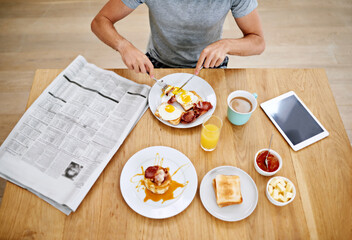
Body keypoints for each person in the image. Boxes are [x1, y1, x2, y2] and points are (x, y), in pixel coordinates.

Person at [91, 0, 265, 78]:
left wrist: (227, 44)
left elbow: (258, 42)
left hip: (211, 67)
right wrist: (124, 46)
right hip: (157, 64)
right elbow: (100, 21)